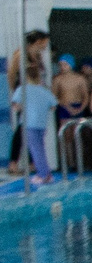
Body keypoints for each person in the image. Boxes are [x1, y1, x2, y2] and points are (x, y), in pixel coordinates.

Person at [7, 29, 48, 176]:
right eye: (45, 42)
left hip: (36, 97)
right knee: (23, 129)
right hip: (25, 97)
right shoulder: (20, 55)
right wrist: (17, 96)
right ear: (38, 41)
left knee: (35, 128)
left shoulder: (36, 55)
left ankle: (32, 163)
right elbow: (12, 76)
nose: (45, 46)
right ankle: (13, 163)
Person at [12, 53, 53, 182]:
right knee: (40, 148)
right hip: (41, 123)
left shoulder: (22, 90)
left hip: (28, 123)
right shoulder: (44, 90)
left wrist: (26, 106)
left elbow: (16, 107)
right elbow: (53, 106)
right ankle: (46, 173)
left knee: (35, 150)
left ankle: (43, 175)